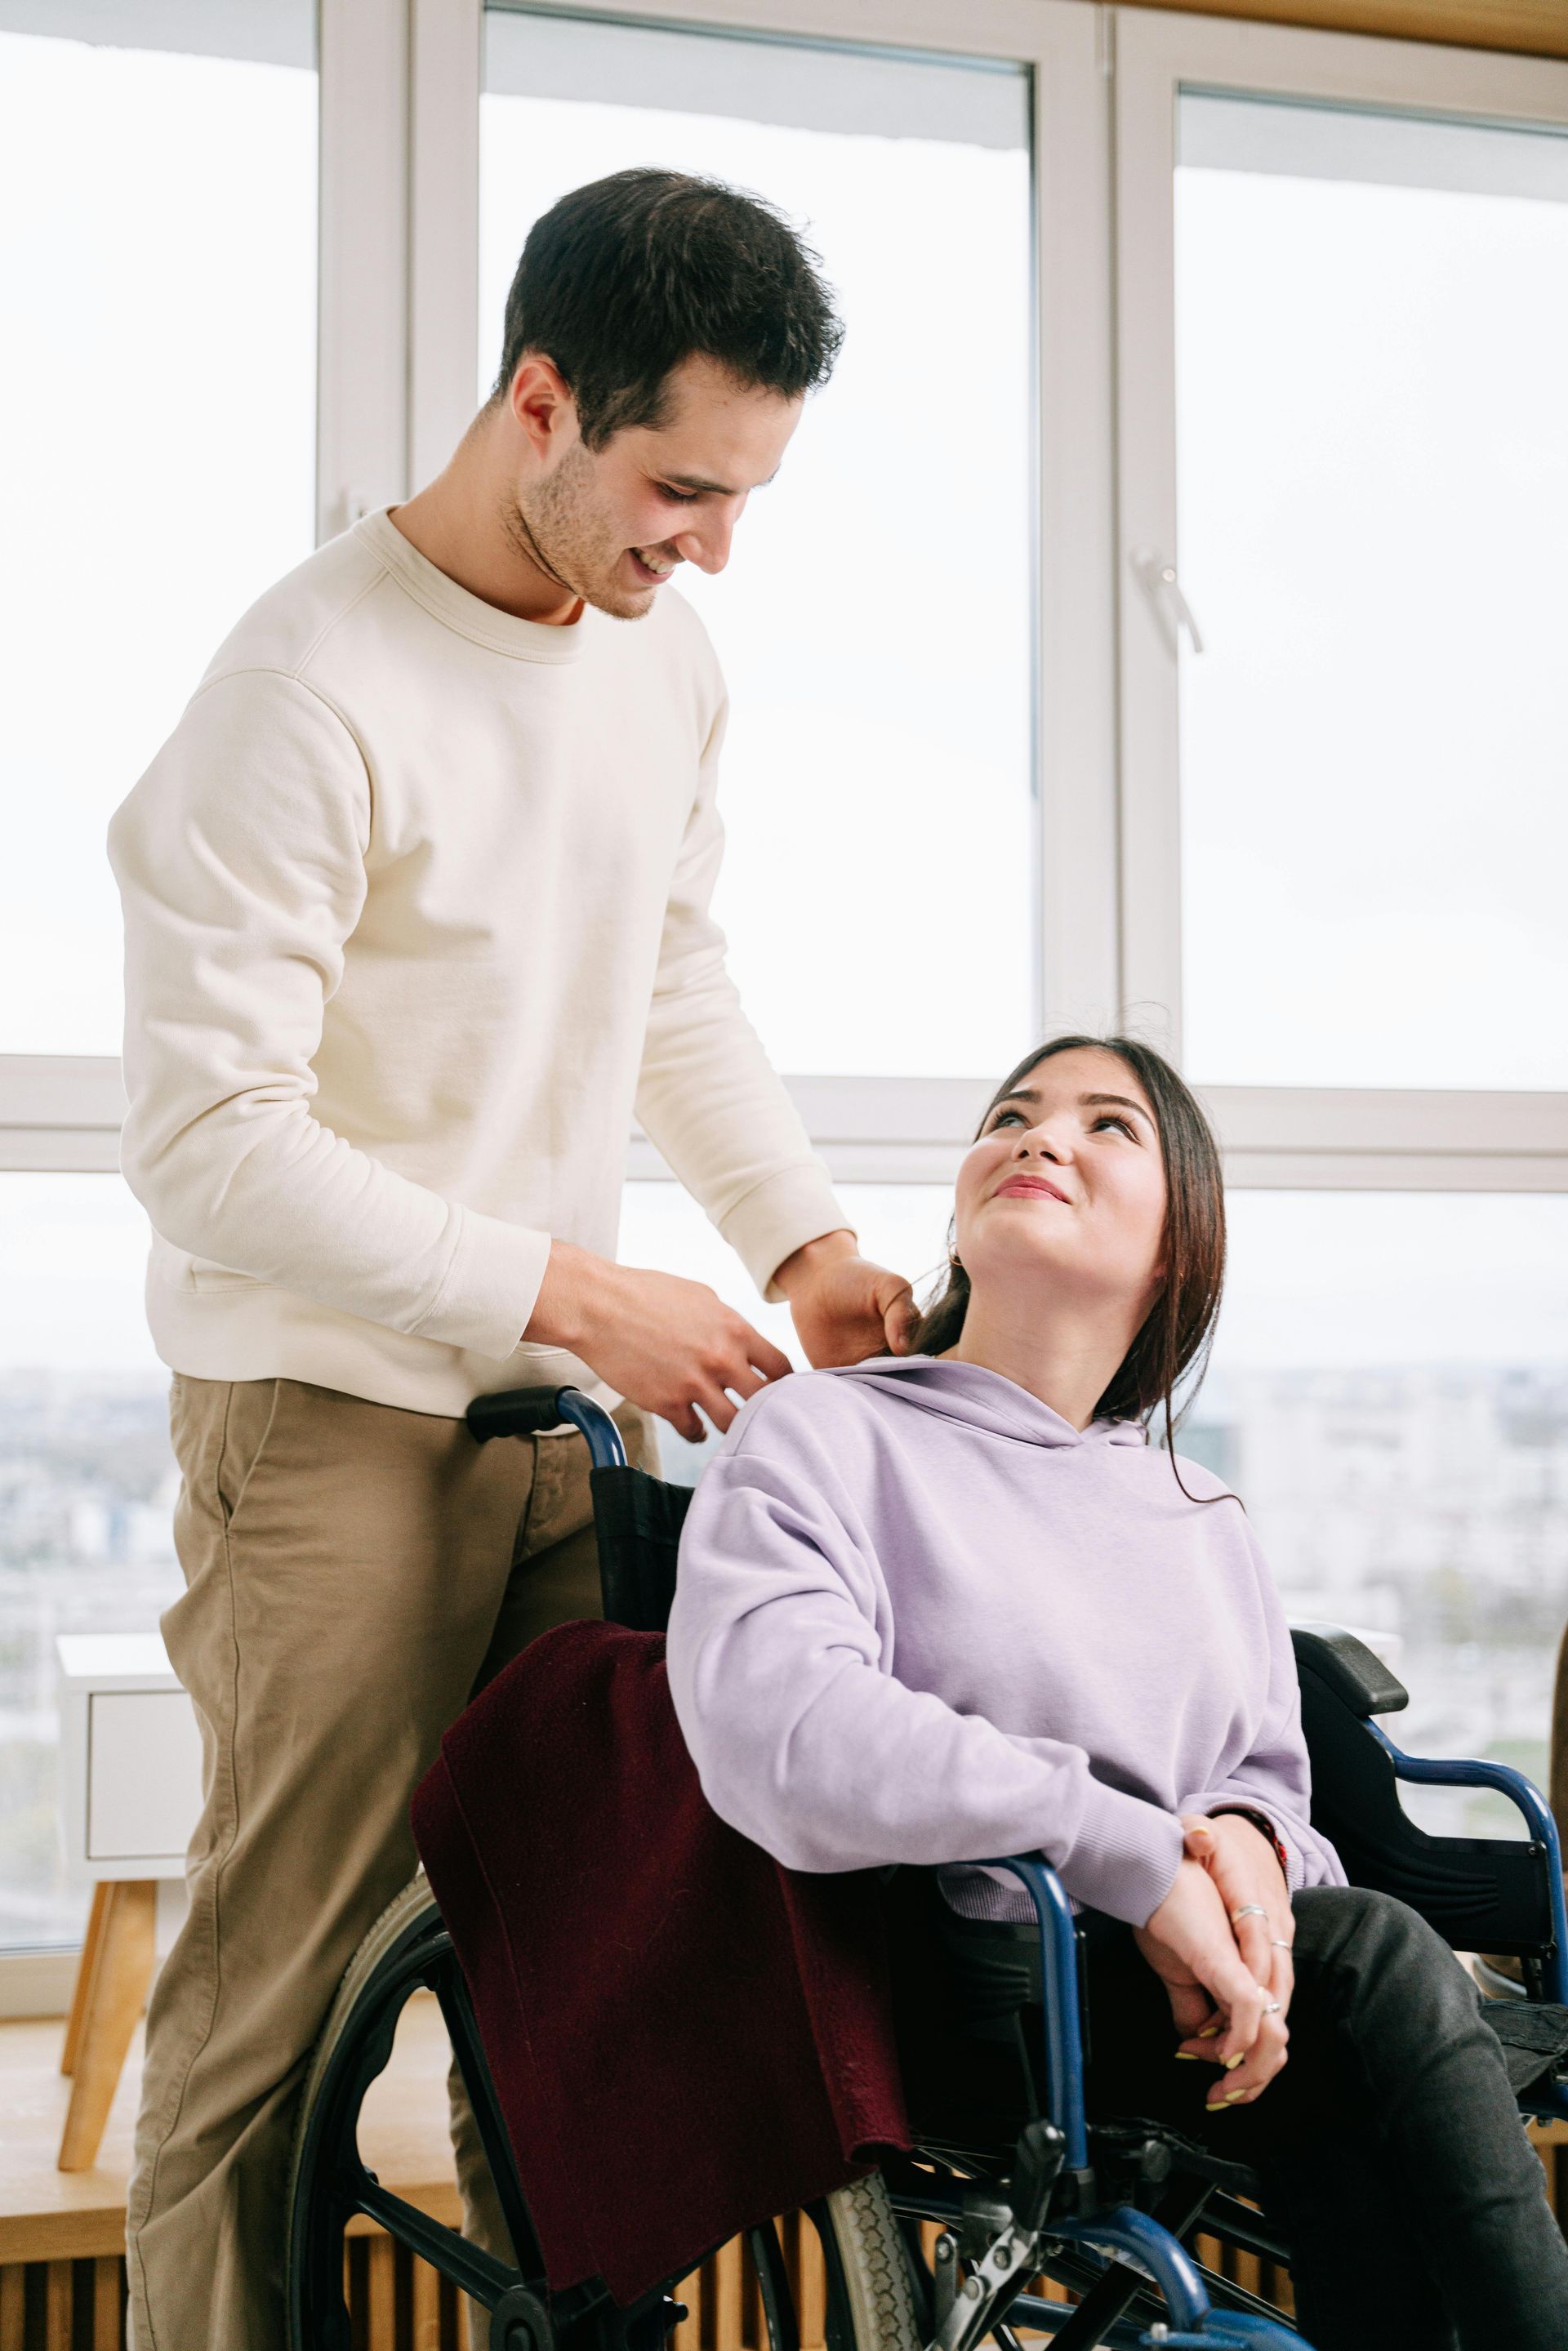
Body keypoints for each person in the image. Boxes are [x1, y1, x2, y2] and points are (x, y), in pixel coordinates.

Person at [108, 167, 913, 2351]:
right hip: (330, 1433)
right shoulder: (303, 688)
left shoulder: (667, 663)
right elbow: (204, 1144)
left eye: (747, 496)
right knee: (270, 2045)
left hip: (548, 1426)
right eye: (681, 486)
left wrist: (802, 1241)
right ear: (539, 400)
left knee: (575, 2007)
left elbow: (665, 974)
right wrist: (583, 1291)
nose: (715, 546)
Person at [666, 1035, 1568, 2350]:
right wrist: (1135, 1856)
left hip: (1208, 2000)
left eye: (1107, 1125)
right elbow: (782, 1725)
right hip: (987, 1986)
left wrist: (1254, 1860)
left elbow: (1264, 1783)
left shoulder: (1196, 1512)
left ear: (1175, 1254)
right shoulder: (829, 1434)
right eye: (1014, 1115)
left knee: (1354, 2053)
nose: (1041, 1136)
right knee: (1377, 1963)